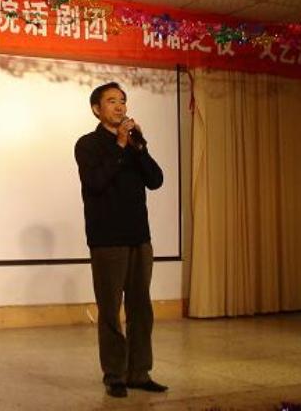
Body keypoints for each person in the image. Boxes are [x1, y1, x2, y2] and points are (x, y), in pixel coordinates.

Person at [74, 82, 168, 398]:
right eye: (112, 101)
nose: (119, 106)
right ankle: (114, 374)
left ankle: (139, 373)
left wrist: (138, 146)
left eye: (123, 101)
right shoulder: (88, 144)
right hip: (107, 239)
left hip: (139, 237)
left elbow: (156, 180)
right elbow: (96, 182)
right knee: (111, 310)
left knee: (141, 308)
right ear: (96, 109)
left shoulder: (134, 144)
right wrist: (119, 144)